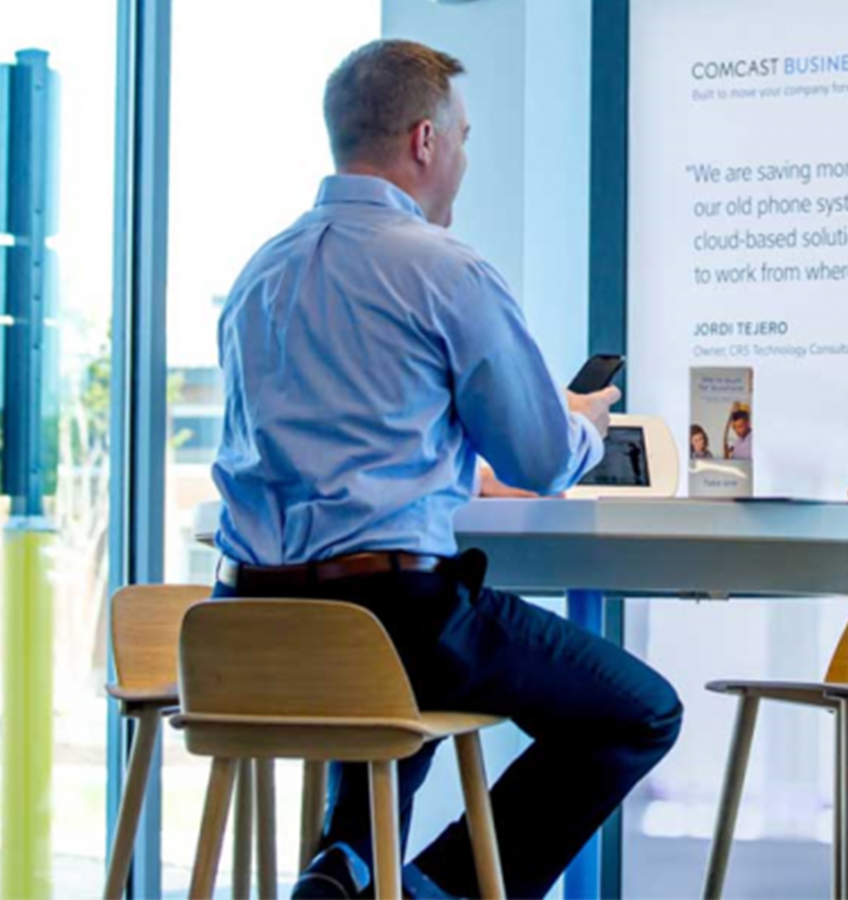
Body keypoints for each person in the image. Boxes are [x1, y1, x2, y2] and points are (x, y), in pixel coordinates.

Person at [209, 39, 682, 900]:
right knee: (638, 710)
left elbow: (319, 455)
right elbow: (539, 462)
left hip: (246, 625)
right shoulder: (444, 270)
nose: (465, 157)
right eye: (464, 136)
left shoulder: (257, 276)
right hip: (392, 623)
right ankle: (435, 891)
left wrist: (450, 468)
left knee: (403, 638)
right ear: (426, 141)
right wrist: (579, 422)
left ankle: (347, 867)